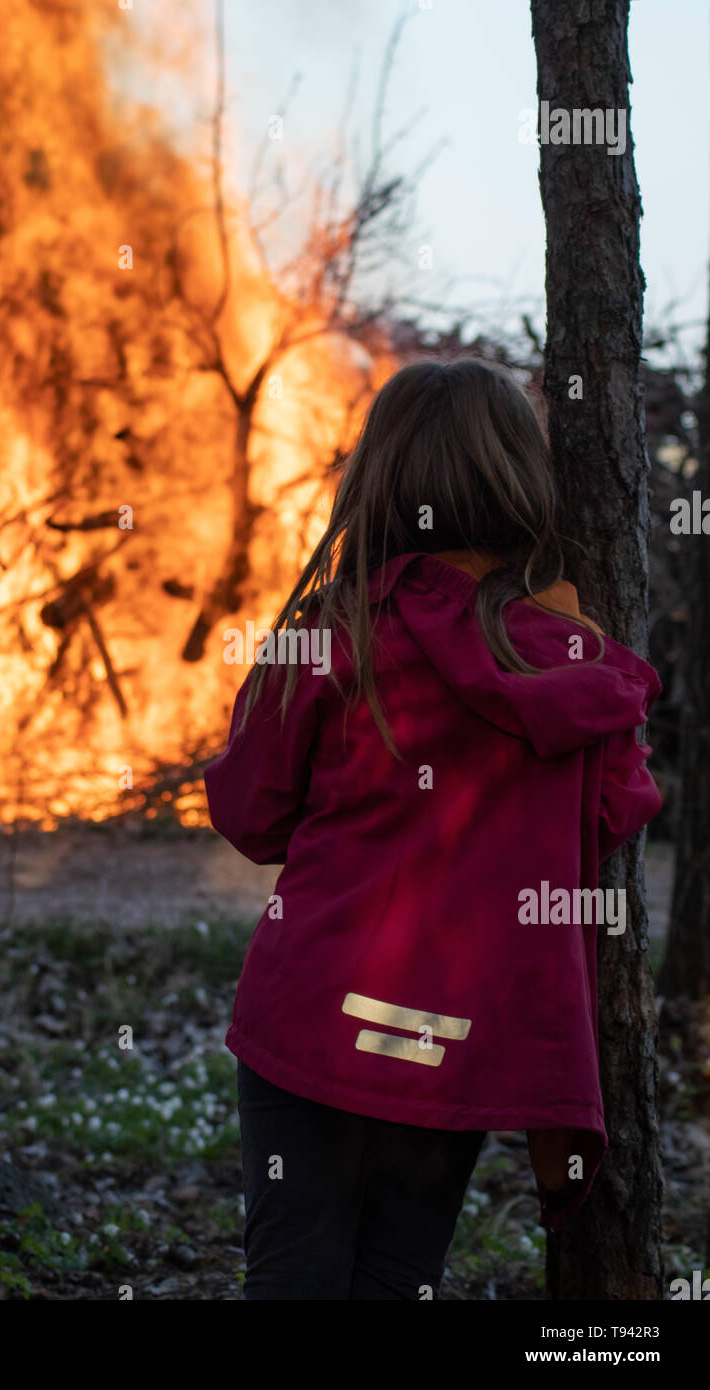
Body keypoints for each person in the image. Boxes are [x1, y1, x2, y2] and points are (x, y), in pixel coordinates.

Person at [204, 357, 663, 1301]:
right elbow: (613, 814)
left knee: (292, 1277)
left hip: (313, 1024)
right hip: (452, 1044)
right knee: (400, 1278)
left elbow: (249, 817)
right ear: (521, 482)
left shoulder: (334, 634)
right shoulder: (575, 662)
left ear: (379, 478)